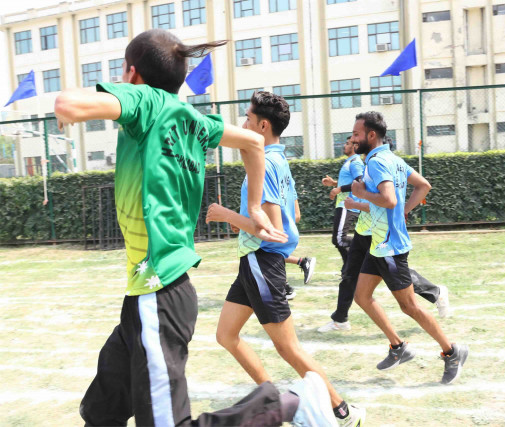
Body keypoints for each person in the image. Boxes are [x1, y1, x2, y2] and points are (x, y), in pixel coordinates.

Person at [54, 29, 336, 426]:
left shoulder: (144, 100)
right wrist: (254, 206)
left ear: (132, 74)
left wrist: (91, 102)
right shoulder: (193, 120)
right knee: (101, 412)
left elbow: (67, 103)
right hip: (147, 294)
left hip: (159, 294)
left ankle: (285, 403)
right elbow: (254, 144)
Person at [206, 91, 365, 427]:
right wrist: (248, 221)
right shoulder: (278, 160)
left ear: (262, 126)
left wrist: (225, 215)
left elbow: (273, 230)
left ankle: (342, 412)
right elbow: (294, 215)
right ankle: (275, 402)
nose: (243, 124)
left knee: (289, 348)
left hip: (261, 261)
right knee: (226, 335)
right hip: (254, 261)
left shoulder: (263, 164)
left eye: (248, 118)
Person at [350, 111, 468, 384]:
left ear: (371, 135)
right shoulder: (393, 159)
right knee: (362, 296)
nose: (353, 139)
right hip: (379, 244)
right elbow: (423, 186)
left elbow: (389, 199)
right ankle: (398, 346)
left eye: (356, 134)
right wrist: (405, 211)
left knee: (410, 307)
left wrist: (361, 194)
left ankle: (452, 352)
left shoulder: (377, 162)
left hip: (389, 247)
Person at [317, 142, 450, 333]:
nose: (353, 142)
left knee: (395, 278)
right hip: (363, 231)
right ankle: (340, 319)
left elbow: (382, 203)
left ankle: (435, 293)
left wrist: (354, 202)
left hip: (377, 233)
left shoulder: (374, 165)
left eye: (356, 137)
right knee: (349, 275)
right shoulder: (370, 164)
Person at [321, 139, 363, 276]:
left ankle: (364, 245)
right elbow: (349, 181)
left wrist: (339, 189)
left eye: (347, 144)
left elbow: (359, 182)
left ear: (355, 146)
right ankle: (348, 270)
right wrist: (334, 183)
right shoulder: (349, 162)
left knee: (339, 239)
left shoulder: (355, 162)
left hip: (348, 205)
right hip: (343, 205)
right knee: (338, 240)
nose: (344, 146)